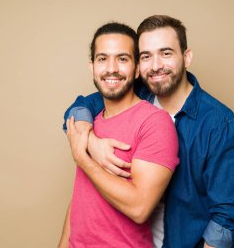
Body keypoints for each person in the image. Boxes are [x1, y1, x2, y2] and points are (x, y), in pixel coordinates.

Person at [63, 15, 234, 248]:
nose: (156, 65)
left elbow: (227, 217)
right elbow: (81, 106)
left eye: (166, 53)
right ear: (139, 66)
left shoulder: (219, 123)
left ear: (187, 56)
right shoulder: (134, 95)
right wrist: (91, 143)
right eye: (146, 56)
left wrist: (83, 155)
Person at [58, 22, 179, 248]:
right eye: (102, 59)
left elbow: (140, 208)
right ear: (92, 66)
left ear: (135, 70)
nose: (111, 68)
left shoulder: (154, 122)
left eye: (122, 59)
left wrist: (83, 158)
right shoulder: (89, 124)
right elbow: (81, 200)